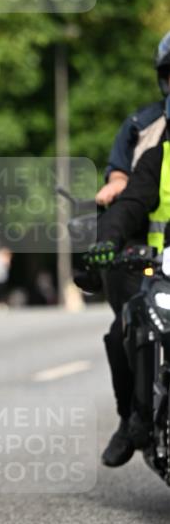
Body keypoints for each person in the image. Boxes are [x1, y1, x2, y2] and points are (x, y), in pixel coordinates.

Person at [94, 31, 170, 466]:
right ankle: (134, 419)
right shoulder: (153, 147)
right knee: (128, 325)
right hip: (154, 265)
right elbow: (130, 197)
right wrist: (107, 237)